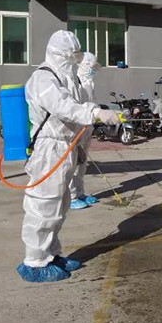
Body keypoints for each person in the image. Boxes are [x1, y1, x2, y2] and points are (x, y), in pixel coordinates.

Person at [17, 30, 120, 283]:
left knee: (60, 205)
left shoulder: (67, 78)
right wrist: (95, 114)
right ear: (59, 54)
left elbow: (80, 103)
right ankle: (35, 261)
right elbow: (64, 107)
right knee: (44, 204)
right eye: (71, 56)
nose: (75, 60)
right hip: (49, 149)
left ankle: (51, 254)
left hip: (65, 147)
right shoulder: (43, 78)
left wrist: (99, 113)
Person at [69, 52, 101, 211]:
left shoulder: (89, 83)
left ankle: (80, 193)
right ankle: (71, 196)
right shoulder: (76, 82)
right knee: (72, 164)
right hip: (77, 129)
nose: (94, 70)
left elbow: (91, 104)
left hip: (87, 128)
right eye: (92, 67)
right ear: (84, 66)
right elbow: (74, 109)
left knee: (82, 163)